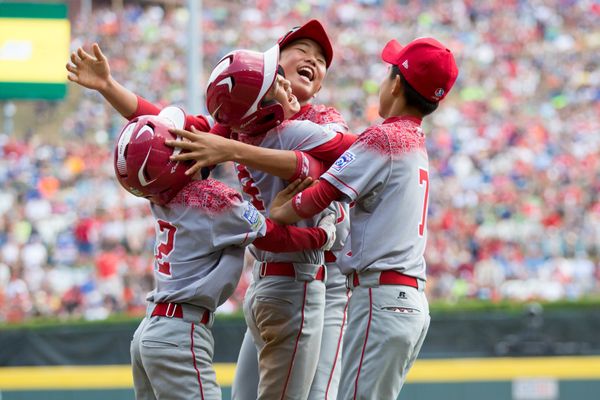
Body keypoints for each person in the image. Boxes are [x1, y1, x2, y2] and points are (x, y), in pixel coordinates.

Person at [66, 19, 354, 399]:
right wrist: (108, 86)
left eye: (320, 60)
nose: (313, 59)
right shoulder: (243, 124)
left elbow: (339, 157)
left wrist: (234, 150)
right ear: (272, 66)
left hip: (321, 278)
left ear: (318, 86)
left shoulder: (321, 119)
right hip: (269, 278)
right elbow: (170, 134)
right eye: (301, 50)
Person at [269, 37, 459, 399]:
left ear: (397, 84)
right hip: (406, 300)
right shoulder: (414, 140)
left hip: (382, 296)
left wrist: (279, 212)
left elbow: (321, 194)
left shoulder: (385, 137)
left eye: (388, 74)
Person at [115, 106, 336, 400]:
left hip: (150, 331)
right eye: (181, 140)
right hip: (180, 334)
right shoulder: (212, 197)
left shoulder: (160, 196)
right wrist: (320, 235)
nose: (195, 139)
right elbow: (271, 237)